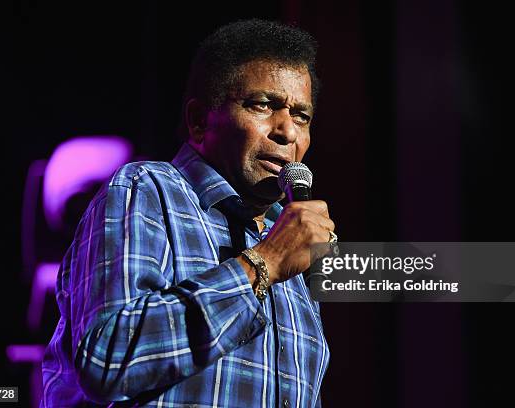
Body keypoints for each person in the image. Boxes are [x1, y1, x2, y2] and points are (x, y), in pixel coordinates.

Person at [41, 19, 336, 407]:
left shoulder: (289, 243)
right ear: (200, 121)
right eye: (263, 104)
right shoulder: (147, 190)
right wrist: (264, 264)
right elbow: (106, 358)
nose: (287, 131)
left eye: (302, 115)